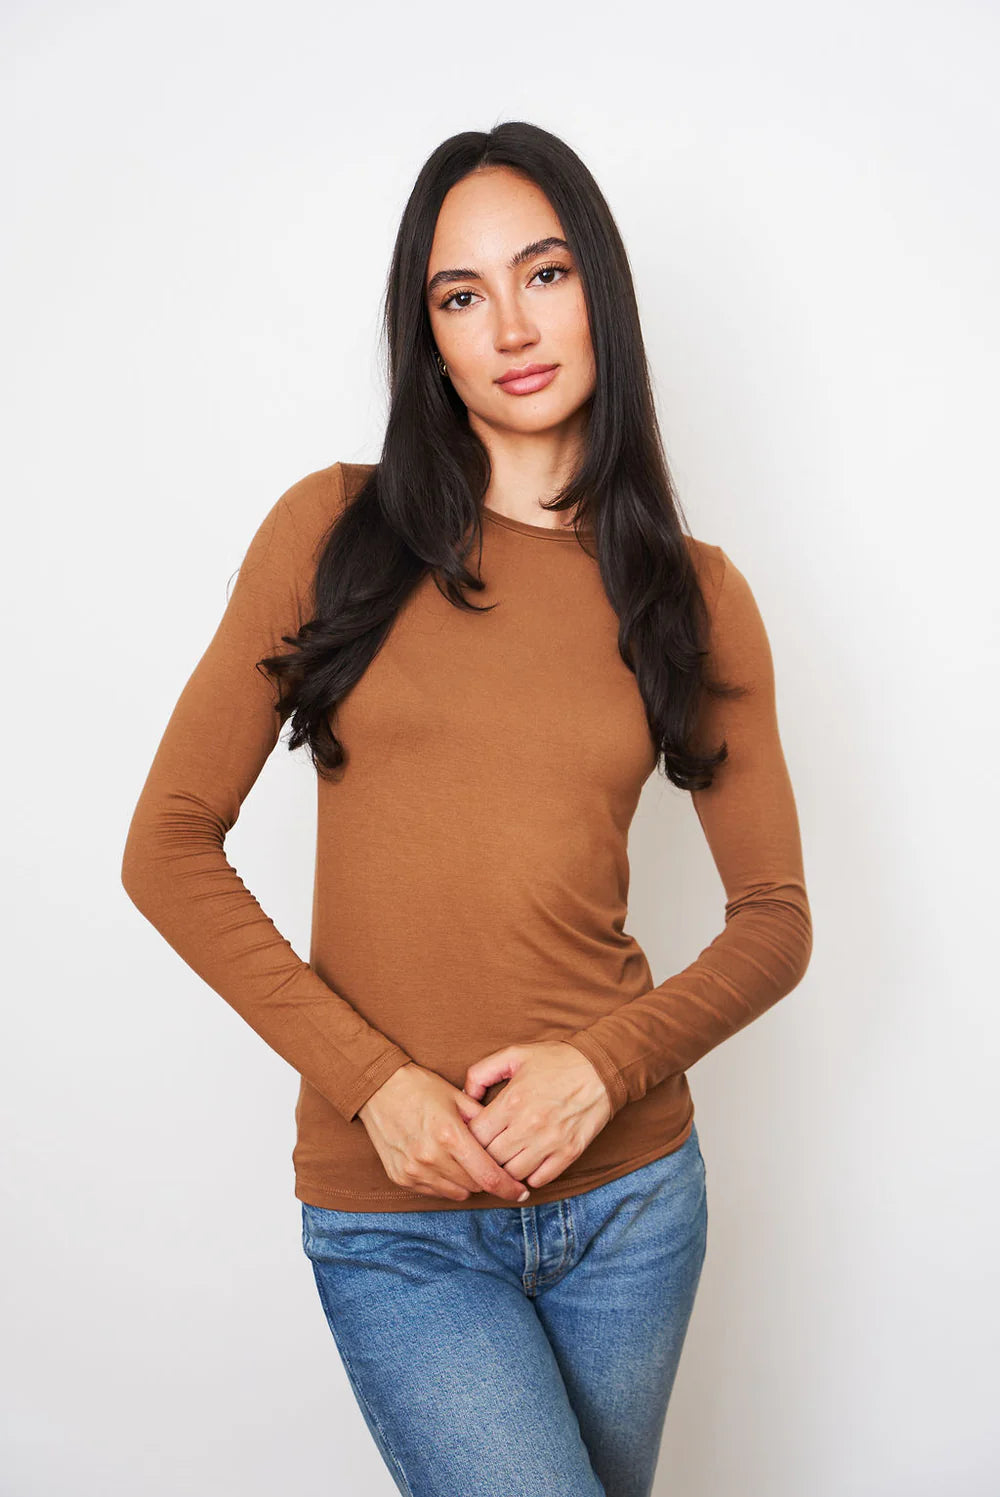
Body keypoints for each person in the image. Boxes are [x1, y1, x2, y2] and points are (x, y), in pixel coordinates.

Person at [121, 120, 813, 1497]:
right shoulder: (332, 531)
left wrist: (604, 1066)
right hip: (400, 1221)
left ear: (597, 292)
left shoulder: (696, 592)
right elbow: (168, 845)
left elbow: (775, 921)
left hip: (629, 1203)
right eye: (460, 293)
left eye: (543, 273)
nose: (510, 323)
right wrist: (374, 1083)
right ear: (426, 333)